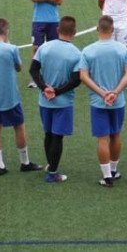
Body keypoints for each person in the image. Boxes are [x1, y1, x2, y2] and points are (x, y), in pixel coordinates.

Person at [79, 15, 127, 188]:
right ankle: (113, 169)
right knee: (115, 134)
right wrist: (115, 92)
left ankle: (107, 176)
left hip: (98, 102)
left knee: (102, 138)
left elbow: (83, 77)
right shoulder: (122, 50)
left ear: (97, 29)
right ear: (112, 30)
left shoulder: (88, 50)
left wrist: (102, 94)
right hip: (117, 101)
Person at [0, 18, 41, 175]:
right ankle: (25, 162)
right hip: (10, 96)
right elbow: (19, 67)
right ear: (6, 31)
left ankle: (0, 166)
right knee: (19, 126)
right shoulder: (12, 49)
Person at [30, 16, 82, 183]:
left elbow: (33, 70)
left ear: (58, 30)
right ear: (74, 32)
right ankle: (53, 172)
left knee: (48, 133)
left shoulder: (44, 47)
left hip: (45, 100)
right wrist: (57, 91)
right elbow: (76, 80)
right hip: (63, 102)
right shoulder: (76, 53)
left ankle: (50, 164)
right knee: (58, 136)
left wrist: (44, 87)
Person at [27, 0, 64, 89]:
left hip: (54, 21)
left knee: (54, 49)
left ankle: (54, 77)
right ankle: (34, 78)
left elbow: (59, 0)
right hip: (38, 20)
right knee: (36, 48)